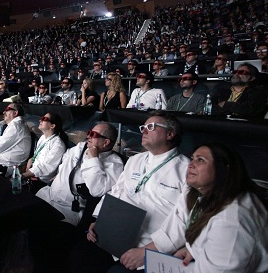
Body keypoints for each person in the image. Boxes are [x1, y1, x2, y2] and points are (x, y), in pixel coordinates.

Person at [70, 111, 190, 273]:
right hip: (115, 234)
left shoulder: (186, 170)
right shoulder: (135, 160)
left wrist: (148, 251)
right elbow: (115, 191)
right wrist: (100, 220)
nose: (144, 131)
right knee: (78, 255)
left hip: (149, 244)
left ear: (170, 134)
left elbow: (184, 220)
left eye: (151, 127)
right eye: (143, 127)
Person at [148, 142, 268, 272]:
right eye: (192, 158)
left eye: (200, 160)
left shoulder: (231, 221)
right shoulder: (208, 194)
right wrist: (192, 249)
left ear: (224, 169)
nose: (191, 164)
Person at [31, 123, 124, 273]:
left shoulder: (114, 164)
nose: (88, 136)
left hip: (69, 210)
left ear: (106, 142)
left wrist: (94, 159)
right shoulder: (80, 148)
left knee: (47, 238)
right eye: (89, 132)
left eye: (93, 135)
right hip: (48, 197)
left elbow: (98, 190)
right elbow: (66, 159)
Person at [21, 113, 68, 192]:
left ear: (52, 126)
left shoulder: (58, 145)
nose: (40, 120)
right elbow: (39, 154)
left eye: (44, 119)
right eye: (41, 118)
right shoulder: (43, 137)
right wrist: (31, 159)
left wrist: (23, 175)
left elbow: (45, 167)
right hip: (32, 174)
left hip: (43, 181)